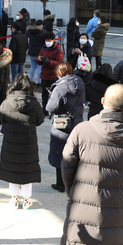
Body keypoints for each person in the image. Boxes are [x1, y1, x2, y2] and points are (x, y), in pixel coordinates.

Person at [58, 84, 123, 245]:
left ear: (102, 102)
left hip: (81, 208)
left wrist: (74, 192)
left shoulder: (82, 130)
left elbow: (66, 166)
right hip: (117, 211)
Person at [0, 73, 45, 209]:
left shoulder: (7, 102)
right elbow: (40, 120)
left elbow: (2, 118)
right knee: (27, 171)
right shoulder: (34, 103)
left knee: (12, 170)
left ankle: (14, 199)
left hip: (10, 143)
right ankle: (26, 200)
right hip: (28, 144)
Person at [46, 61, 85, 192]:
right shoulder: (79, 82)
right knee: (73, 152)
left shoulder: (60, 87)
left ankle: (61, 184)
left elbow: (51, 107)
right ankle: (74, 182)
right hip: (77, 122)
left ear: (60, 73)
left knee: (60, 153)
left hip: (62, 125)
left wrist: (52, 96)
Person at [37, 32, 64, 112]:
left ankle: (53, 109)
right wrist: (39, 60)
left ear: (53, 40)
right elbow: (39, 59)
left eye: (49, 40)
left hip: (53, 75)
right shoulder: (43, 48)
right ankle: (44, 108)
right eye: (46, 40)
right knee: (44, 94)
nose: (47, 42)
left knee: (53, 94)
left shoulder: (58, 49)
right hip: (44, 75)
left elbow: (59, 63)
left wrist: (48, 62)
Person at [26, 20, 46, 86]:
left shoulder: (30, 31)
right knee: (39, 67)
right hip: (40, 52)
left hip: (31, 51)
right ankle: (39, 81)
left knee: (32, 67)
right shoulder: (43, 32)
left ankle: (31, 80)